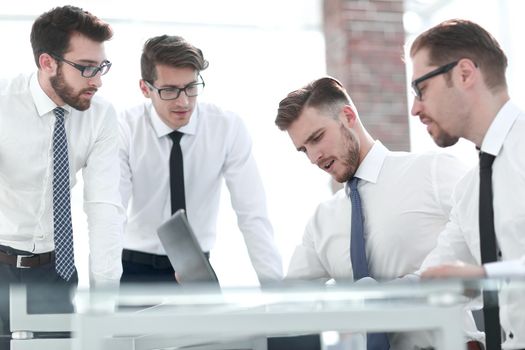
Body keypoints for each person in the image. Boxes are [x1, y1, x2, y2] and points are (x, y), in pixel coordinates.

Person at [275, 77, 483, 349]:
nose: (314, 157)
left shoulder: (432, 170)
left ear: (348, 116)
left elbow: (488, 251)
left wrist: (402, 293)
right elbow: (292, 303)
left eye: (317, 138)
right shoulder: (321, 222)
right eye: (304, 149)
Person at [0, 5, 123, 350]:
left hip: (55, 271)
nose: (97, 80)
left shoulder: (100, 116)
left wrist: (104, 307)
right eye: (85, 68)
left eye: (101, 67)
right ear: (47, 62)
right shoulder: (3, 103)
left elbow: (103, 207)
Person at [118, 35, 282, 284]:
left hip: (198, 269)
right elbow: (111, 213)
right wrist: (102, 298)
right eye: (170, 90)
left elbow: (252, 214)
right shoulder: (125, 128)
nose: (184, 101)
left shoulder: (226, 127)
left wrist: (276, 292)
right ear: (145, 88)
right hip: (137, 267)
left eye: (191, 87)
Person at [409, 19, 525, 350]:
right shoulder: (469, 191)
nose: (415, 107)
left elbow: (477, 277)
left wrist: (484, 277)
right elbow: (436, 277)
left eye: (421, 89)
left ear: (463, 74)